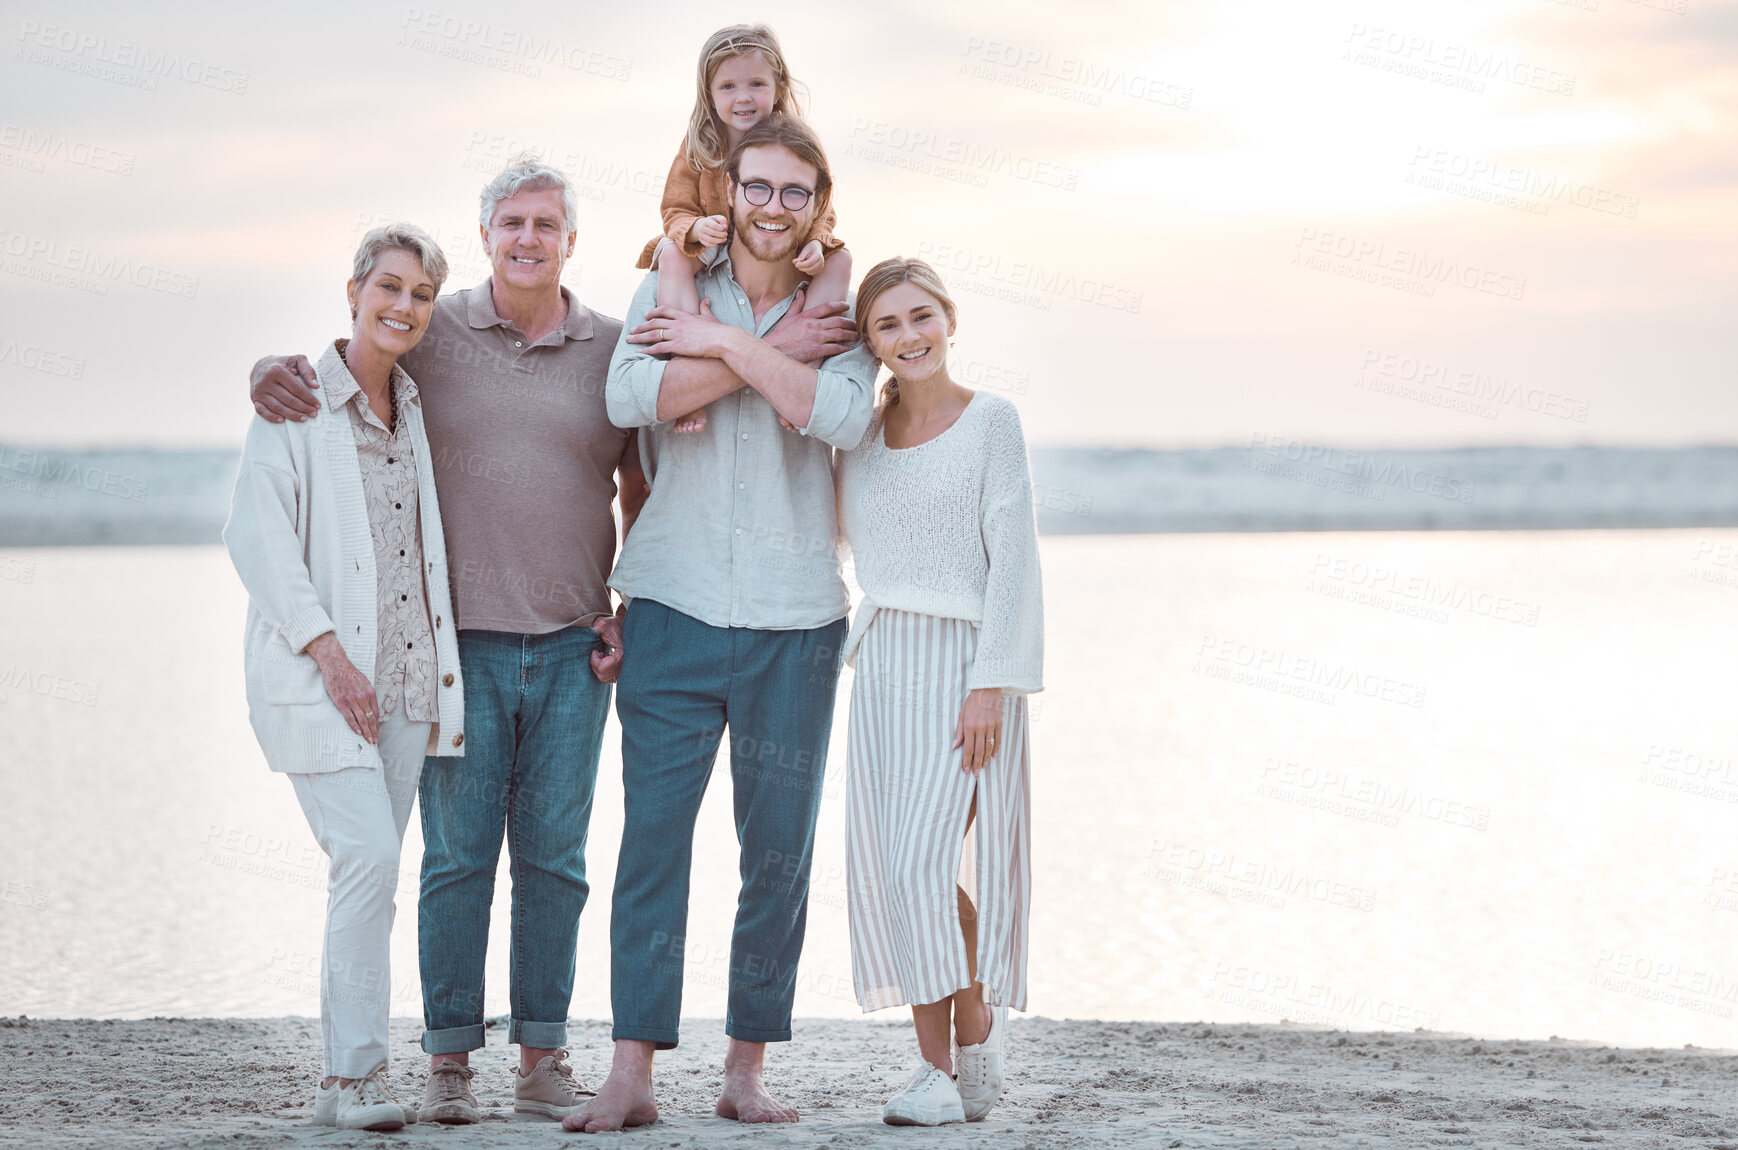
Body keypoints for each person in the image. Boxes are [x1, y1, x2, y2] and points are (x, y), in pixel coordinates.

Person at [246, 157, 645, 1125]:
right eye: (511, 221)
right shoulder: (438, 330)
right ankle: (449, 1061)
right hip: (453, 653)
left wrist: (629, 598)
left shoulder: (612, 348)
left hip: (570, 646)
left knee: (555, 858)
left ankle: (544, 1054)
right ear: (486, 235)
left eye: (545, 224)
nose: (527, 238)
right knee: (454, 859)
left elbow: (645, 484)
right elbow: (350, 369)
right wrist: (270, 371)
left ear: (570, 240)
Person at [561, 114, 870, 1133]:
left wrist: (730, 345)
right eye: (758, 188)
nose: (773, 208)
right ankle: (631, 1072)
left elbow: (837, 416)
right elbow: (631, 394)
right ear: (728, 193)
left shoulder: (845, 311)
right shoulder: (668, 289)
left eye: (794, 192)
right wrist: (768, 356)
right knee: (651, 844)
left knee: (776, 853)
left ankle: (745, 1068)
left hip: (797, 618)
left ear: (814, 206)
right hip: (672, 608)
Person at [224, 224, 462, 1132]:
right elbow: (257, 537)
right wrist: (327, 652)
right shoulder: (293, 404)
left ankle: (341, 1080)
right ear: (354, 290)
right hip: (324, 681)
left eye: (420, 296)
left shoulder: (415, 408)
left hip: (407, 685)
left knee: (371, 874)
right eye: (389, 288)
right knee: (367, 858)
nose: (403, 307)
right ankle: (354, 1077)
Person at [834, 257, 1043, 1126]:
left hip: (966, 666)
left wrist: (993, 686)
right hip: (883, 665)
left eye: (921, 317)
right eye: (887, 325)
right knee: (898, 869)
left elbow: (1015, 561)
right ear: (870, 343)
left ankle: (941, 1063)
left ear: (949, 320)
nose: (908, 336)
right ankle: (963, 1032)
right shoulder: (859, 435)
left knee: (925, 861)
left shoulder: (993, 421)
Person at [636, 23, 852, 433]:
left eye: (756, 83)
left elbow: (822, 208)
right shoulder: (699, 144)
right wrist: (696, 228)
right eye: (728, 87)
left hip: (780, 247)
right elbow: (674, 208)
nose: (743, 98)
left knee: (842, 261)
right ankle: (688, 376)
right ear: (709, 92)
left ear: (778, 85)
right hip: (713, 251)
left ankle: (801, 385)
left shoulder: (798, 142)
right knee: (668, 252)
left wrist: (819, 245)